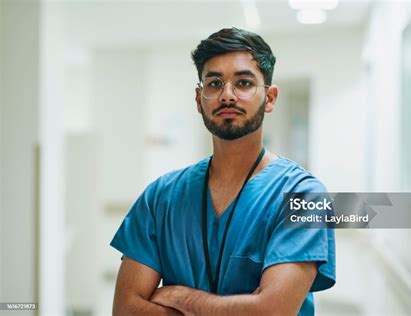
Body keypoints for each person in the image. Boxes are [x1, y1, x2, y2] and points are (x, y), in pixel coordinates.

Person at [110, 27, 336, 316]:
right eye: (214, 83)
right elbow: (126, 309)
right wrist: (242, 308)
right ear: (198, 98)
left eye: (243, 83)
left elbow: (272, 312)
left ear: (270, 98)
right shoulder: (161, 197)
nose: (227, 95)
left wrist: (180, 297)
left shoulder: (304, 195)